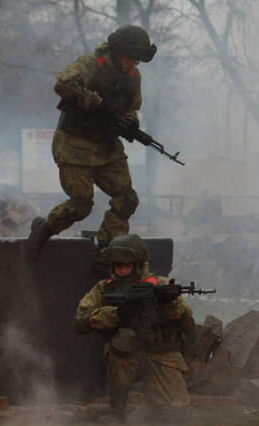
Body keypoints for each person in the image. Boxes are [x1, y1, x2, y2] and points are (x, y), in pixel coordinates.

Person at [27, 25, 157, 263]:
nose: (132, 66)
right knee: (81, 205)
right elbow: (63, 84)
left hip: (107, 147)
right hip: (74, 144)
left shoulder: (133, 77)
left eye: (136, 62)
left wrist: (130, 124)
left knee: (127, 198)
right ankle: (46, 227)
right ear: (119, 52)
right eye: (130, 59)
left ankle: (108, 249)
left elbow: (131, 109)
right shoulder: (91, 64)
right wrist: (94, 103)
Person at [73, 234, 194, 422]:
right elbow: (81, 322)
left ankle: (156, 405)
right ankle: (117, 410)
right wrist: (117, 313)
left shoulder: (159, 285)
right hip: (126, 356)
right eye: (117, 265)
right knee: (122, 340)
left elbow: (185, 321)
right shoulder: (104, 288)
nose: (121, 270)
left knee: (174, 414)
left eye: (126, 265)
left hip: (161, 354)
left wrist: (170, 307)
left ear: (138, 265)